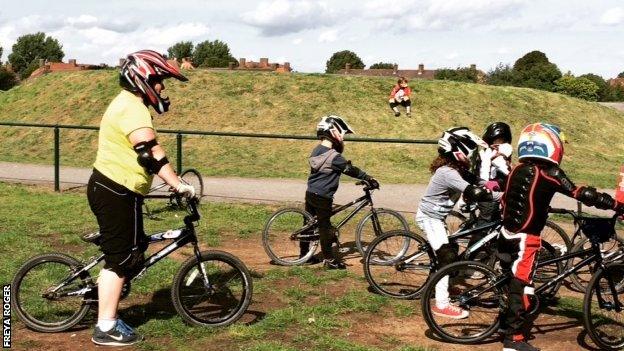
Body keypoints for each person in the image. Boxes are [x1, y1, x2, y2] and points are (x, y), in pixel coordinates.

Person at [88, 50, 194, 346]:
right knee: (120, 260)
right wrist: (178, 184)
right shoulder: (132, 107)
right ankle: (106, 327)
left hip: (118, 189)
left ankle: (108, 299)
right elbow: (149, 153)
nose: (162, 88)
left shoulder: (130, 104)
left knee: (130, 251)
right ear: (144, 78)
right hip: (114, 190)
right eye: (160, 81)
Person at [498, 122, 621, 351]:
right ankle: (513, 341)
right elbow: (581, 193)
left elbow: (512, 199)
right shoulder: (549, 172)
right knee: (522, 285)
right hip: (526, 237)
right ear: (551, 145)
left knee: (510, 281)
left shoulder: (518, 168)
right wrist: (616, 205)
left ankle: (503, 324)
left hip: (507, 233)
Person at [417, 127, 501, 319]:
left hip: (437, 217)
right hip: (430, 217)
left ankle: (441, 286)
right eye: (470, 147)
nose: (472, 153)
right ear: (457, 148)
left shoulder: (457, 170)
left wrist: (497, 187)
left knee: (450, 251)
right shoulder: (447, 173)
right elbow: (473, 191)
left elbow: (479, 182)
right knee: (446, 258)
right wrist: (499, 196)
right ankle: (442, 304)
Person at [303, 115, 379, 269]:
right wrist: (367, 177)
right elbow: (350, 169)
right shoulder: (333, 157)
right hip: (323, 196)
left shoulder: (316, 150)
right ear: (335, 132)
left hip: (311, 192)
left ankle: (304, 256)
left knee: (308, 226)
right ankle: (330, 261)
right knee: (325, 228)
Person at [476, 122, 513, 224]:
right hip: (487, 192)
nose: (498, 143)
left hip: (492, 190)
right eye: (496, 140)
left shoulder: (501, 151)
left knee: (495, 221)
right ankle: (476, 240)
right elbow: (503, 171)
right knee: (485, 223)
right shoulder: (487, 153)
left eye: (501, 140)